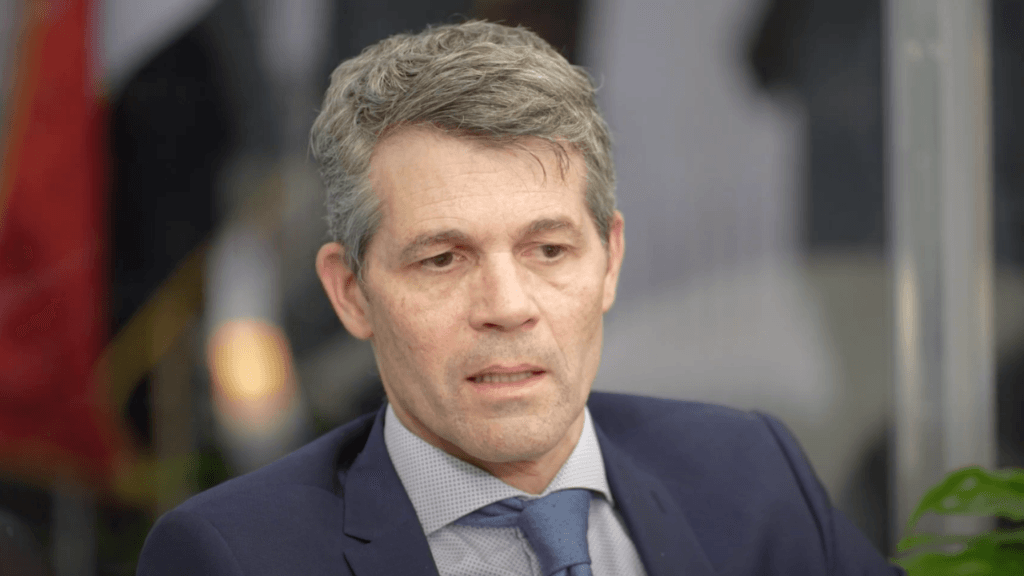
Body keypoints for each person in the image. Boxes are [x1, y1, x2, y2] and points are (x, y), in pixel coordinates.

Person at [137, 20, 906, 576]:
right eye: (442, 259)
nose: (507, 305)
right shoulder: (233, 556)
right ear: (351, 292)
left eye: (548, 250)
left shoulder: (750, 474)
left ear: (609, 262)